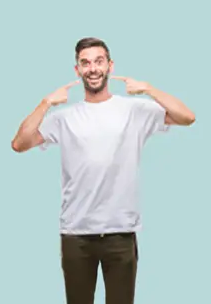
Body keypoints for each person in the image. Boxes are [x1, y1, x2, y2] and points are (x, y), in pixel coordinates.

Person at [11, 37, 196, 304]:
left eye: (99, 61)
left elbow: (187, 117)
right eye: (85, 63)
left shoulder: (134, 110)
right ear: (77, 71)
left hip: (120, 232)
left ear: (110, 65)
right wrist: (45, 103)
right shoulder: (64, 117)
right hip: (76, 234)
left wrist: (148, 89)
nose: (93, 68)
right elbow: (19, 143)